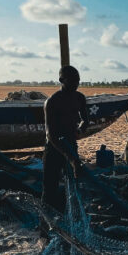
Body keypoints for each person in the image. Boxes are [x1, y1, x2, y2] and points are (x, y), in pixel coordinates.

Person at [42, 66, 89, 212]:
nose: (76, 84)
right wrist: (70, 157)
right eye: (73, 80)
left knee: (74, 183)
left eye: (78, 81)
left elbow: (86, 120)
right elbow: (50, 134)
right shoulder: (52, 102)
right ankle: (46, 224)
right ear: (61, 80)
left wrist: (80, 130)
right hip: (54, 148)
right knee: (50, 188)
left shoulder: (79, 98)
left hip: (71, 145)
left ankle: (69, 215)